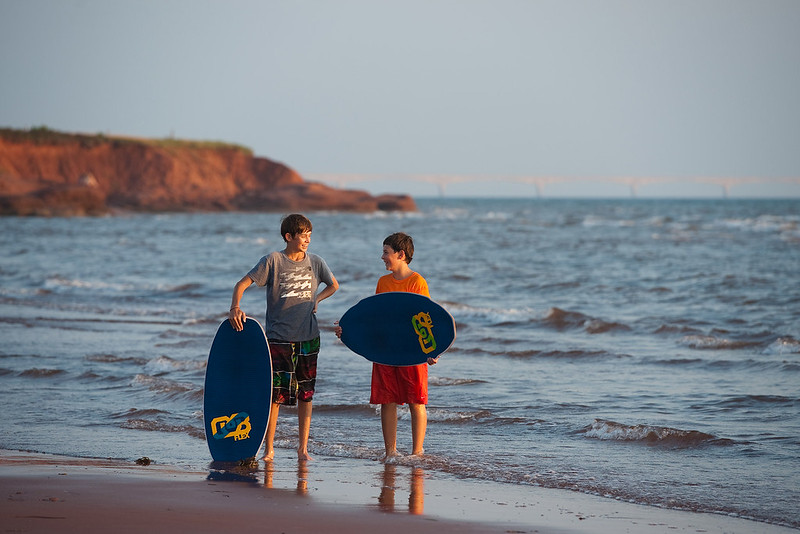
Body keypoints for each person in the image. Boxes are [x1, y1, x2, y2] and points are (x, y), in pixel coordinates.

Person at [229, 213, 338, 462]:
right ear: (289, 236)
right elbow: (241, 284)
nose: (307, 240)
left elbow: (333, 285)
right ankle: (269, 449)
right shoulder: (273, 261)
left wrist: (317, 300)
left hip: (309, 337)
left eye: (310, 235)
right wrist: (235, 307)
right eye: (303, 235)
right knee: (275, 396)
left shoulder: (316, 262)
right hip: (278, 338)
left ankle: (303, 449)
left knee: (306, 394)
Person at [337, 232, 438, 460]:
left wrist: (432, 351)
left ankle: (417, 453)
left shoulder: (417, 283)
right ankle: (390, 452)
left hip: (411, 352)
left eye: (386, 252)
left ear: (400, 254)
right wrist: (348, 330)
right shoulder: (383, 283)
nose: (382, 257)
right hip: (385, 350)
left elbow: (426, 321)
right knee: (387, 399)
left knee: (416, 400)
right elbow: (374, 318)